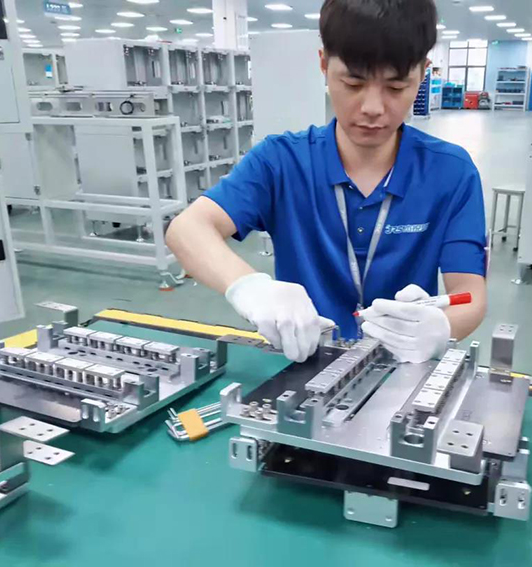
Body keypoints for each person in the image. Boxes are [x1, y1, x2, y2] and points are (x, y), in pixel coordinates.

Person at [166, 0, 487, 365]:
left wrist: (440, 328)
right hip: (304, 363)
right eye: (353, 82)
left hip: (403, 367)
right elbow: (187, 229)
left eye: (396, 86)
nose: (373, 107)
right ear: (323, 64)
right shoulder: (282, 162)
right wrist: (249, 287)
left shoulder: (450, 171)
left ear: (423, 73)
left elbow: (470, 295)